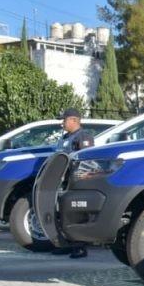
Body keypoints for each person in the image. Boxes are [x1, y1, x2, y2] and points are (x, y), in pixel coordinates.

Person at [54, 108, 95, 259]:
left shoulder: (83, 137)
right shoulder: (65, 138)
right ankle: (66, 243)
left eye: (64, 120)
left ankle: (79, 246)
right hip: (62, 181)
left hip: (76, 181)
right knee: (61, 214)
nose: (62, 123)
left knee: (76, 215)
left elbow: (86, 160)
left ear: (73, 120)